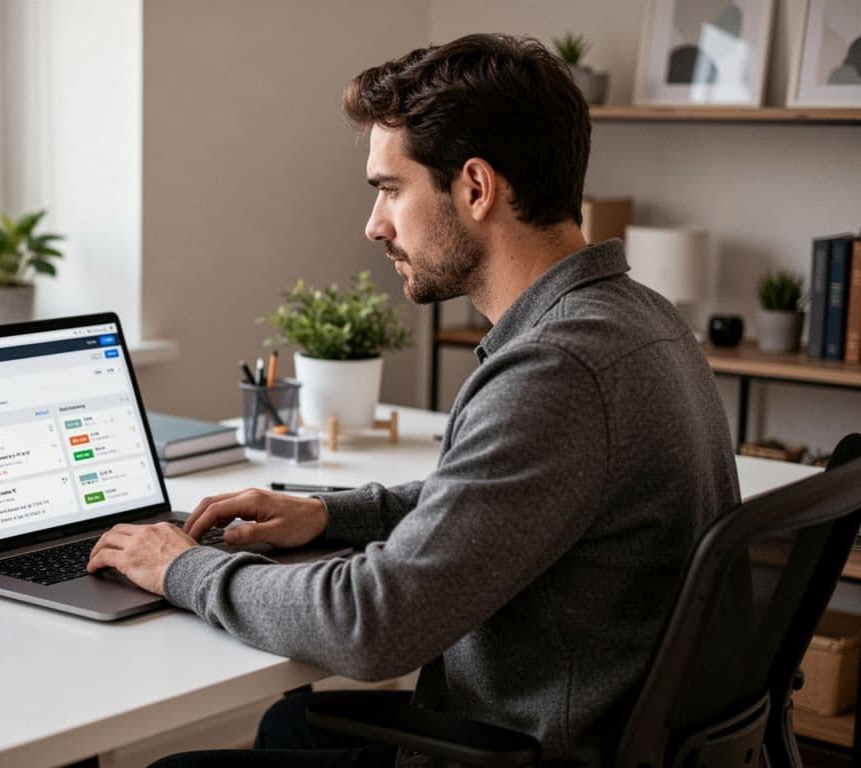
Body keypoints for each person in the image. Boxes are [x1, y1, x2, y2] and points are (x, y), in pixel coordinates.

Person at [87, 33, 738, 765]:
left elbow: (373, 625)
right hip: (576, 725)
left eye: (391, 190)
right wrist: (329, 513)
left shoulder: (556, 370)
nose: (374, 225)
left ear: (476, 188)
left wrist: (181, 568)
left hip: (525, 744)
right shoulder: (638, 317)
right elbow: (498, 500)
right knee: (292, 728)